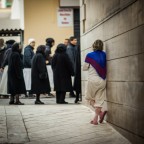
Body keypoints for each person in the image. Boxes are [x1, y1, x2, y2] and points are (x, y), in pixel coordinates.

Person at [83, 39, 107, 125]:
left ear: (93, 46)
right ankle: (97, 116)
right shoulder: (104, 55)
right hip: (102, 80)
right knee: (99, 101)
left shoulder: (89, 55)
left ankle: (96, 118)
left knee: (89, 98)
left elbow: (84, 68)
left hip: (92, 80)